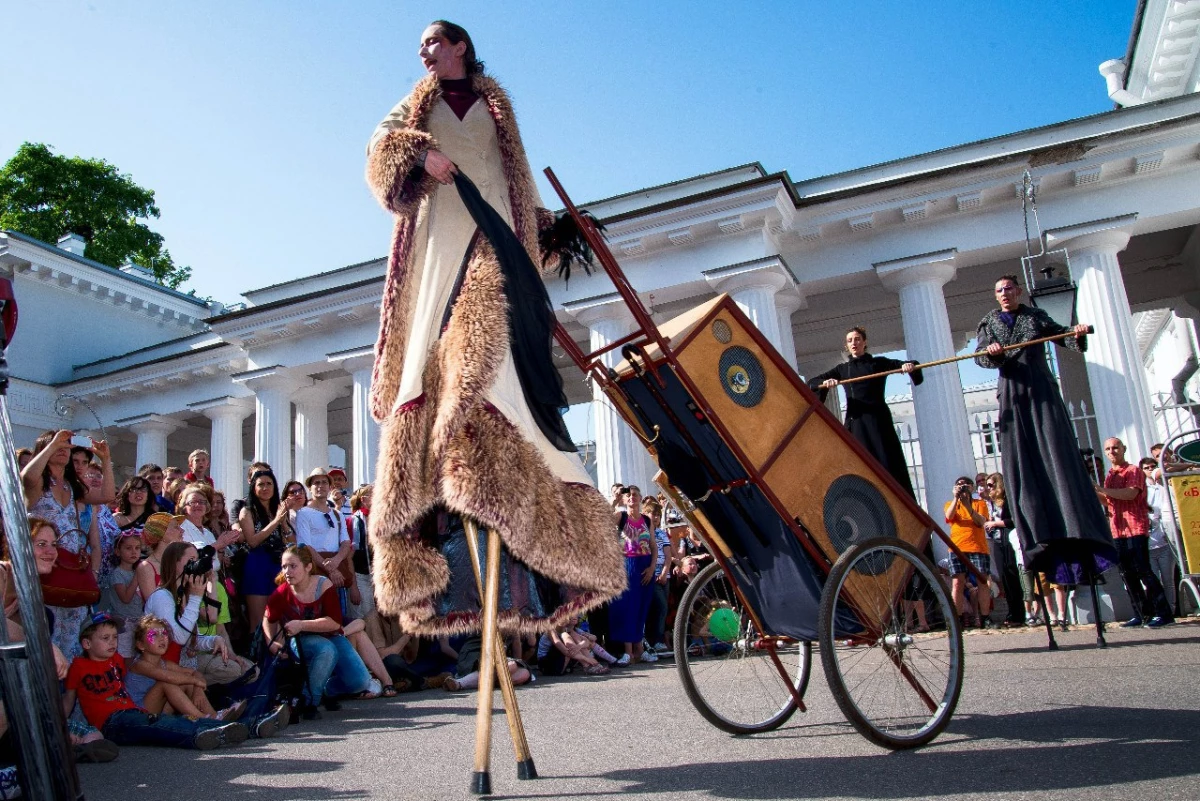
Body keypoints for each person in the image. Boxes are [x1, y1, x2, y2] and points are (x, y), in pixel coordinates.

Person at [363, 19, 623, 635]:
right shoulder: (415, 106)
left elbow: (514, 188)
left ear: (459, 46)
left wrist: (549, 229)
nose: (423, 52)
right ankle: (434, 545)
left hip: (497, 242)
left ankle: (541, 541)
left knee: (496, 356)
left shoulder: (499, 109)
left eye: (433, 41)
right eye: (420, 46)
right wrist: (415, 153)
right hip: (437, 253)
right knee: (439, 357)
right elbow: (378, 149)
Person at [975, 275, 1117, 589]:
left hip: (1040, 389)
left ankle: (1076, 525)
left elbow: (1060, 336)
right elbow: (981, 356)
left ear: (1018, 291)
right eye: (999, 290)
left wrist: (1075, 334)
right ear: (995, 295)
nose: (1005, 294)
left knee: (1056, 451)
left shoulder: (1034, 316)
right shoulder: (988, 322)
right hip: (1013, 391)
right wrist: (994, 353)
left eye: (1009, 288)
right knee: (1022, 459)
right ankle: (1038, 532)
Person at [63, 615, 247, 750]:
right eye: (105, 638)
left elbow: (190, 674)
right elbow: (69, 700)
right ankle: (207, 726)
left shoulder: (116, 660)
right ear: (86, 644)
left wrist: (196, 687)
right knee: (160, 723)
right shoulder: (79, 666)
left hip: (133, 712)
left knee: (159, 719)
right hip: (110, 721)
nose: (112, 642)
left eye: (115, 637)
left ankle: (217, 720)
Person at [808, 327, 922, 496]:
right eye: (850, 340)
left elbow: (909, 365)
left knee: (887, 460)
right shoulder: (843, 369)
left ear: (864, 342)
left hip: (878, 419)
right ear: (847, 346)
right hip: (856, 420)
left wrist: (907, 367)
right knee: (857, 461)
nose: (854, 343)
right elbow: (812, 382)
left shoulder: (878, 363)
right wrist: (827, 382)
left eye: (857, 339)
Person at [262, 546, 371, 718]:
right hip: (299, 641)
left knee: (361, 682)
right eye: (284, 567)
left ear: (308, 567)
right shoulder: (282, 592)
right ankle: (307, 701)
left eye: (293, 566)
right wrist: (271, 642)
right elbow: (268, 618)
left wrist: (301, 624)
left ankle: (324, 689)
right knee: (326, 649)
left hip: (329, 634)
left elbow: (334, 623)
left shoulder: (323, 584)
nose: (287, 571)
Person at [21, 430, 101, 659]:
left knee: (71, 647)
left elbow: (105, 495)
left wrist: (104, 460)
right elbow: (27, 477)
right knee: (46, 640)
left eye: (67, 448)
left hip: (70, 571)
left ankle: (66, 694)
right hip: (43, 569)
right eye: (60, 448)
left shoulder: (70, 486)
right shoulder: (37, 484)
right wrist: (53, 444)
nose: (64, 452)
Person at [1097, 438, 1173, 628]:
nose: (1112, 451)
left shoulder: (1133, 471)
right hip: (1118, 529)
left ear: (1124, 449)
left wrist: (1101, 489)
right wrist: (1093, 491)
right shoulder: (1110, 475)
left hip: (1135, 527)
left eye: (1115, 447)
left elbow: (1130, 494)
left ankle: (1163, 612)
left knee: (1143, 570)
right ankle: (1142, 613)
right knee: (1127, 573)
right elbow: (1109, 501)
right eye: (1108, 449)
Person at [608, 486, 657, 664]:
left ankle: (640, 649)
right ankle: (628, 651)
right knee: (627, 608)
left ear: (640, 498)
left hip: (644, 565)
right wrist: (614, 500)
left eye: (635, 495)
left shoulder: (647, 519)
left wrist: (652, 567)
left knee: (641, 607)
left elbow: (653, 545)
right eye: (629, 496)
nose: (632, 498)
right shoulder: (621, 517)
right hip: (626, 564)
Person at [944, 477, 994, 627]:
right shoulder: (950, 504)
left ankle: (985, 617)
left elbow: (981, 522)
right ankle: (956, 620)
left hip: (978, 547)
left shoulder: (980, 503)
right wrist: (956, 498)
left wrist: (968, 506)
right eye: (959, 485)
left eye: (965, 485)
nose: (962, 487)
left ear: (971, 487)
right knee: (957, 583)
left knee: (982, 582)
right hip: (957, 547)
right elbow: (949, 516)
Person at [982, 474, 1024, 627]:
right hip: (997, 541)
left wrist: (996, 523)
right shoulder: (991, 503)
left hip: (1008, 539)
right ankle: (1012, 611)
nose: (989, 488)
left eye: (991, 485)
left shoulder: (1007, 500)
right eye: (987, 485)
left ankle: (1019, 614)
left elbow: (1014, 520)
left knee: (1012, 575)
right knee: (1005, 577)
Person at [1141, 457, 1180, 612]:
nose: (1150, 469)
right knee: (1152, 580)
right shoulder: (1142, 489)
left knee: (1168, 579)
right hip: (1148, 544)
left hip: (1164, 541)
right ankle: (1159, 610)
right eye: (1146, 467)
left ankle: (1171, 609)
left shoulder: (1163, 486)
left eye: (1153, 466)